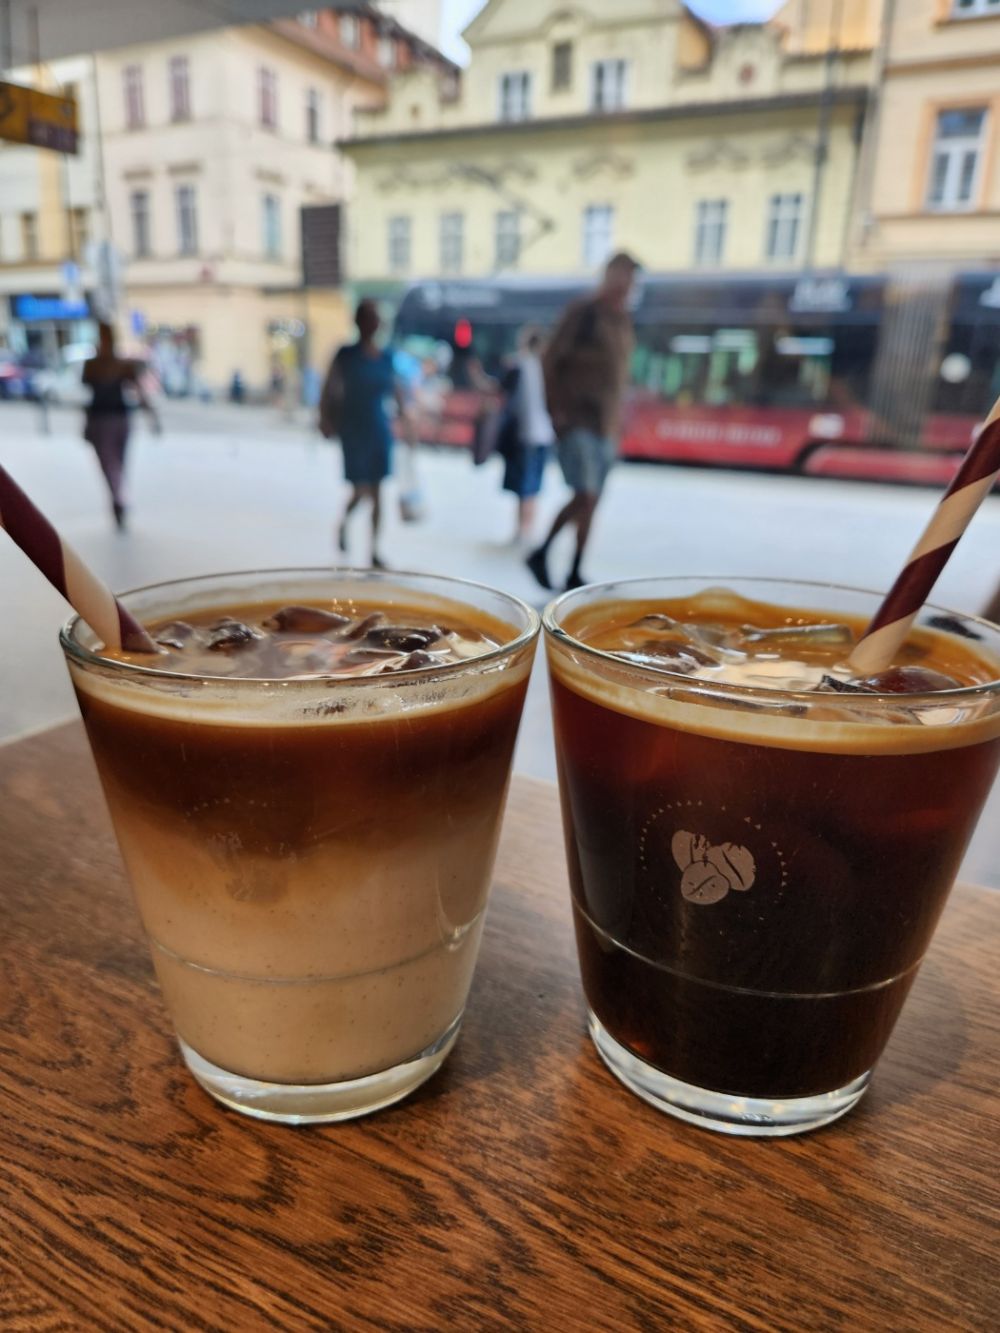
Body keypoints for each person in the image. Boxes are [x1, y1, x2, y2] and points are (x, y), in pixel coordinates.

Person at [526, 251, 639, 591]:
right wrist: (556, 412)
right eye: (622, 275)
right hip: (578, 422)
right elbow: (549, 361)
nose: (627, 284)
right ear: (608, 274)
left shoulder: (622, 321)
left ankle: (575, 569)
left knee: (593, 502)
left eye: (631, 277)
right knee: (585, 496)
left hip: (607, 426)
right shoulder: (584, 313)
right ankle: (541, 552)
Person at [319, 299, 411, 568]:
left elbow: (397, 392)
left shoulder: (386, 357)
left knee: (378, 492)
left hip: (378, 429)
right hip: (353, 429)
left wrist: (407, 424)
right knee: (360, 490)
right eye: (369, 317)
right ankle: (344, 523)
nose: (373, 323)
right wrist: (324, 418)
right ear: (359, 321)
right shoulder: (346, 355)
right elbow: (329, 387)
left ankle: (374, 550)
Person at [82, 322, 160, 530]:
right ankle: (118, 499)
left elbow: (139, 391)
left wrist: (152, 416)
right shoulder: (94, 364)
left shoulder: (117, 364)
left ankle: (118, 498)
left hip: (115, 419)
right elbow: (85, 393)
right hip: (102, 419)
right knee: (110, 463)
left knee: (116, 464)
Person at [499, 327, 555, 546]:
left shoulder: (518, 365)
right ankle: (528, 529)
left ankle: (522, 530)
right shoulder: (547, 368)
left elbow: (498, 391)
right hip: (545, 434)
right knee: (534, 487)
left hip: (525, 435)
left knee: (524, 487)